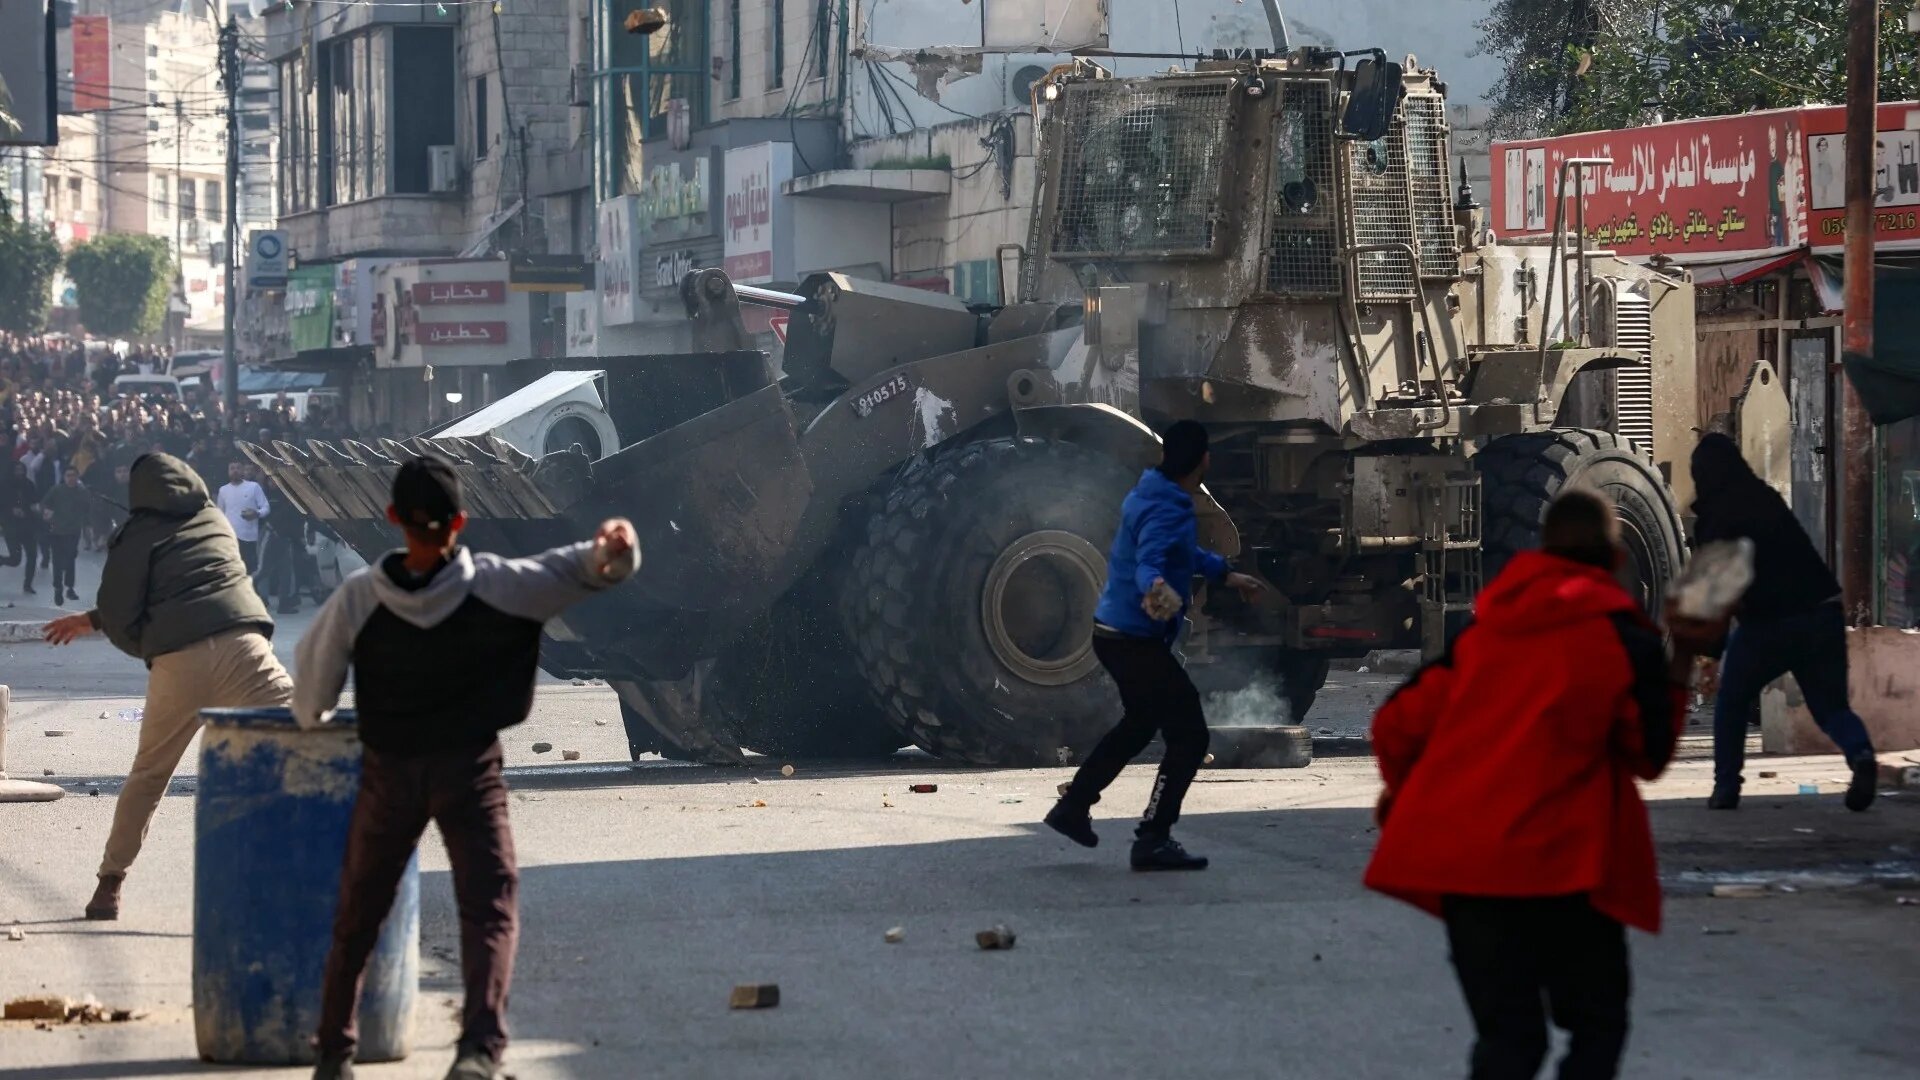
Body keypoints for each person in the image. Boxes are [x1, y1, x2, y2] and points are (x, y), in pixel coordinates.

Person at [295, 457, 639, 1080]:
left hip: (388, 771)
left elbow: (310, 693)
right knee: (488, 906)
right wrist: (616, 547)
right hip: (468, 770)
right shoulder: (499, 585)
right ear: (461, 521)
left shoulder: (358, 598)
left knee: (360, 908)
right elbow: (587, 568)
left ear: (393, 518)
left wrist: (315, 716)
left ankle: (333, 1052)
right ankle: (478, 1051)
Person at [1364, 490, 1721, 1080]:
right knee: (1597, 1027)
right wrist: (1681, 656)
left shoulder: (1482, 638)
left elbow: (1396, 725)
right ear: (1613, 558)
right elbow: (1649, 756)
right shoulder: (1621, 639)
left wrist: (1410, 796)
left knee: (1508, 1043)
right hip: (1564, 871)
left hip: (1470, 874)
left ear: (1543, 550)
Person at [42, 453, 293, 920]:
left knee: (149, 776)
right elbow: (202, 584)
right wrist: (96, 622)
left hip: (180, 661)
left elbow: (123, 607)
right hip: (245, 649)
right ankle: (343, 871)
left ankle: (109, 886)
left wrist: (139, 640)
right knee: (312, 738)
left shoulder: (134, 535)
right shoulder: (214, 519)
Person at [1042, 420, 1263, 871]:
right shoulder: (1170, 507)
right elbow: (1150, 561)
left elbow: (1180, 552)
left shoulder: (1150, 492)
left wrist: (1225, 573)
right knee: (1190, 735)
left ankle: (1073, 806)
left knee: (1141, 723)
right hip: (1135, 640)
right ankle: (1153, 837)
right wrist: (1157, 588)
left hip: (1112, 633)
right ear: (1204, 460)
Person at [1690, 433, 1878, 811]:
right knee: (1831, 708)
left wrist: (1710, 654)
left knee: (1732, 701)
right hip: (1822, 612)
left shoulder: (1715, 518)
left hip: (1767, 625)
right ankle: (1860, 755)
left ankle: (1726, 787)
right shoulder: (1765, 497)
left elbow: (1719, 594)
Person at [40, 467, 91, 605]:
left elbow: (88, 508)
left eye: (74, 475)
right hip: (56, 531)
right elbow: (44, 503)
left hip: (73, 531)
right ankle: (58, 587)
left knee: (70, 558)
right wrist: (46, 512)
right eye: (68, 475)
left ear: (77, 476)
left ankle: (69, 586)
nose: (71, 478)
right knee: (57, 560)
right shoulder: (57, 490)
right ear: (64, 476)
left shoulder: (82, 492)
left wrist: (87, 524)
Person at [215, 460, 271, 572]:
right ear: (228, 472)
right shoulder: (223, 490)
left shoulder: (253, 487)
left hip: (249, 538)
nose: (235, 471)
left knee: (249, 573)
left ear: (243, 471)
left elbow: (266, 507)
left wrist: (257, 513)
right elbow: (219, 515)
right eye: (232, 468)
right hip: (230, 539)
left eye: (238, 468)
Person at [6, 459, 42, 595]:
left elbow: (35, 501)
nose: (19, 473)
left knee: (32, 555)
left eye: (21, 470)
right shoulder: (6, 485)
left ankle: (28, 584)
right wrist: (12, 510)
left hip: (28, 525)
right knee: (15, 559)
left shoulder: (29, 485)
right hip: (12, 526)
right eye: (17, 470)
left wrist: (33, 509)